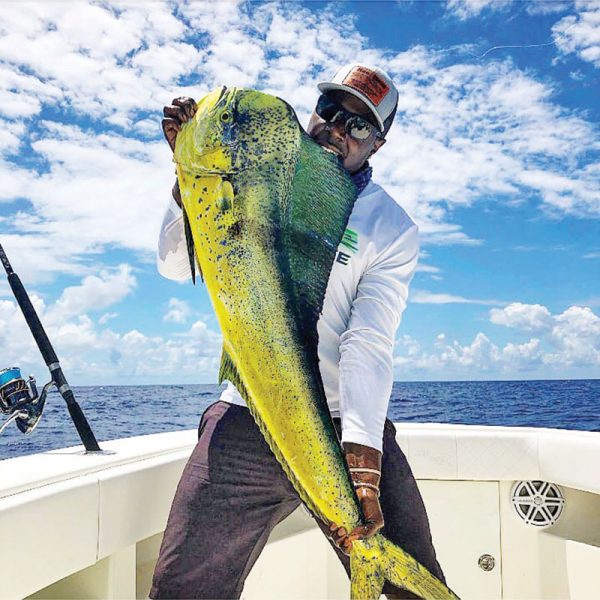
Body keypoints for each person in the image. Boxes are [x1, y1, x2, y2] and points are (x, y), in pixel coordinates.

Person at [151, 63, 445, 600]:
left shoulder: (391, 225)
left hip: (344, 423)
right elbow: (175, 265)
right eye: (331, 111)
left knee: (416, 589)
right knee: (181, 588)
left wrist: (362, 455)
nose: (338, 129)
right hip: (246, 415)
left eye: (359, 125)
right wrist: (187, 177)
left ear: (378, 143)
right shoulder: (253, 177)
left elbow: (368, 341)